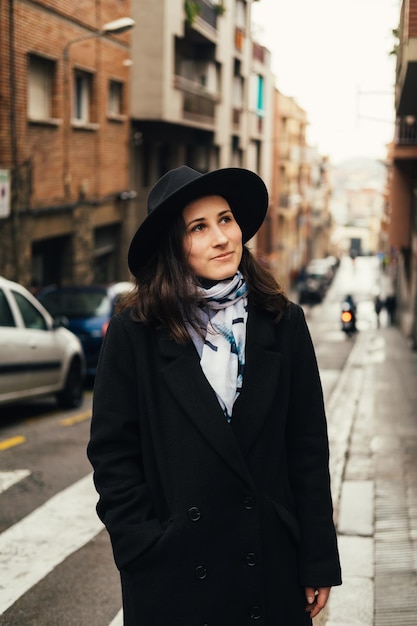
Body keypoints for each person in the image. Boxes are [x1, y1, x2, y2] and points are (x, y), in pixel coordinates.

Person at [87, 166, 342, 626]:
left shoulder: (284, 323)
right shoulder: (134, 332)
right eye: (198, 228)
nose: (221, 237)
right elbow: (113, 455)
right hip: (174, 574)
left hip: (268, 565)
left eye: (225, 220)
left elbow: (307, 449)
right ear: (173, 245)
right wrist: (143, 545)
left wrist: (317, 558)